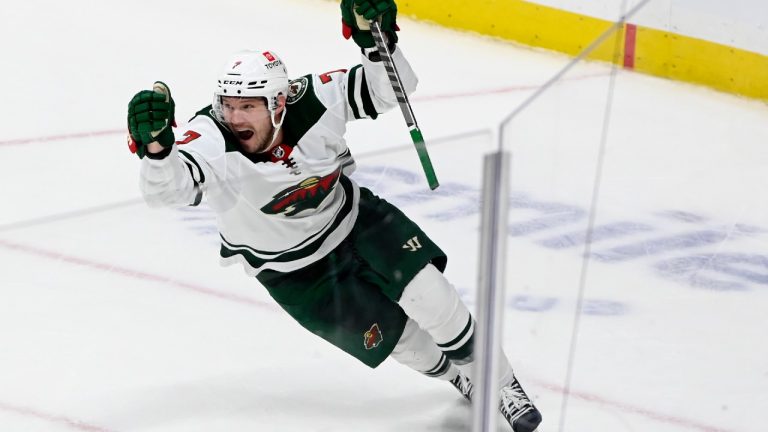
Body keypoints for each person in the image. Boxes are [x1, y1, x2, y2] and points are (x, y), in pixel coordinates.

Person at [126, 0, 542, 430]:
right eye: (228, 105)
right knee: (403, 342)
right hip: (294, 273)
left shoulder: (316, 98)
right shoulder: (211, 135)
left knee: (433, 296)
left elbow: (394, 89)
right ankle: (460, 377)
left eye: (247, 106)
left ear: (279, 102)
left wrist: (378, 45)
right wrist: (157, 151)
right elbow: (167, 192)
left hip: (356, 223)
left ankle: (501, 383)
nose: (234, 117)